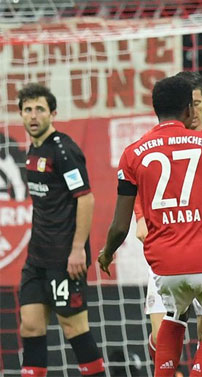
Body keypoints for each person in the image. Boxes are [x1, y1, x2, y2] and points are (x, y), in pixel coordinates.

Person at [98, 75, 202, 377]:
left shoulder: (133, 153)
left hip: (164, 264)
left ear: (155, 109)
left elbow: (119, 225)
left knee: (176, 314)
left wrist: (106, 253)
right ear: (190, 109)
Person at [135, 71, 202, 362]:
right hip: (169, 242)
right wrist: (141, 218)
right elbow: (143, 187)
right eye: (186, 104)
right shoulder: (154, 143)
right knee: (160, 333)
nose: (191, 111)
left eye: (196, 103)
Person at [17, 83, 105, 377]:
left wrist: (78, 248)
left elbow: (86, 198)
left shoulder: (63, 149)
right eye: (27, 109)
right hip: (37, 258)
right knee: (30, 324)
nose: (33, 115)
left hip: (65, 258)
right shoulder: (34, 148)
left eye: (39, 109)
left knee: (73, 327)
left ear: (52, 113)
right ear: (20, 115)